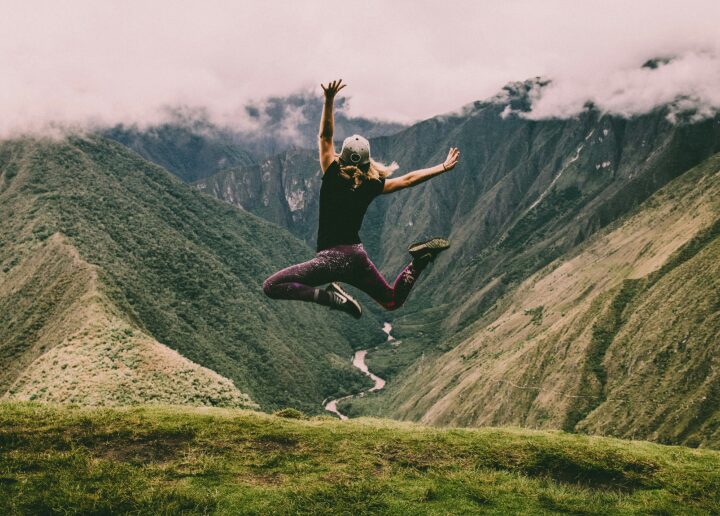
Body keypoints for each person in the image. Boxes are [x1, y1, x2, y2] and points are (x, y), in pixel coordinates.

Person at [262, 79, 460, 318]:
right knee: (391, 300)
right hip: (357, 257)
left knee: (271, 286)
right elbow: (408, 180)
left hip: (331, 260)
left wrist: (328, 100)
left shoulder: (333, 173)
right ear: (368, 161)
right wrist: (442, 167)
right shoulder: (372, 184)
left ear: (341, 157)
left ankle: (330, 298)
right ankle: (418, 262)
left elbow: (325, 137)